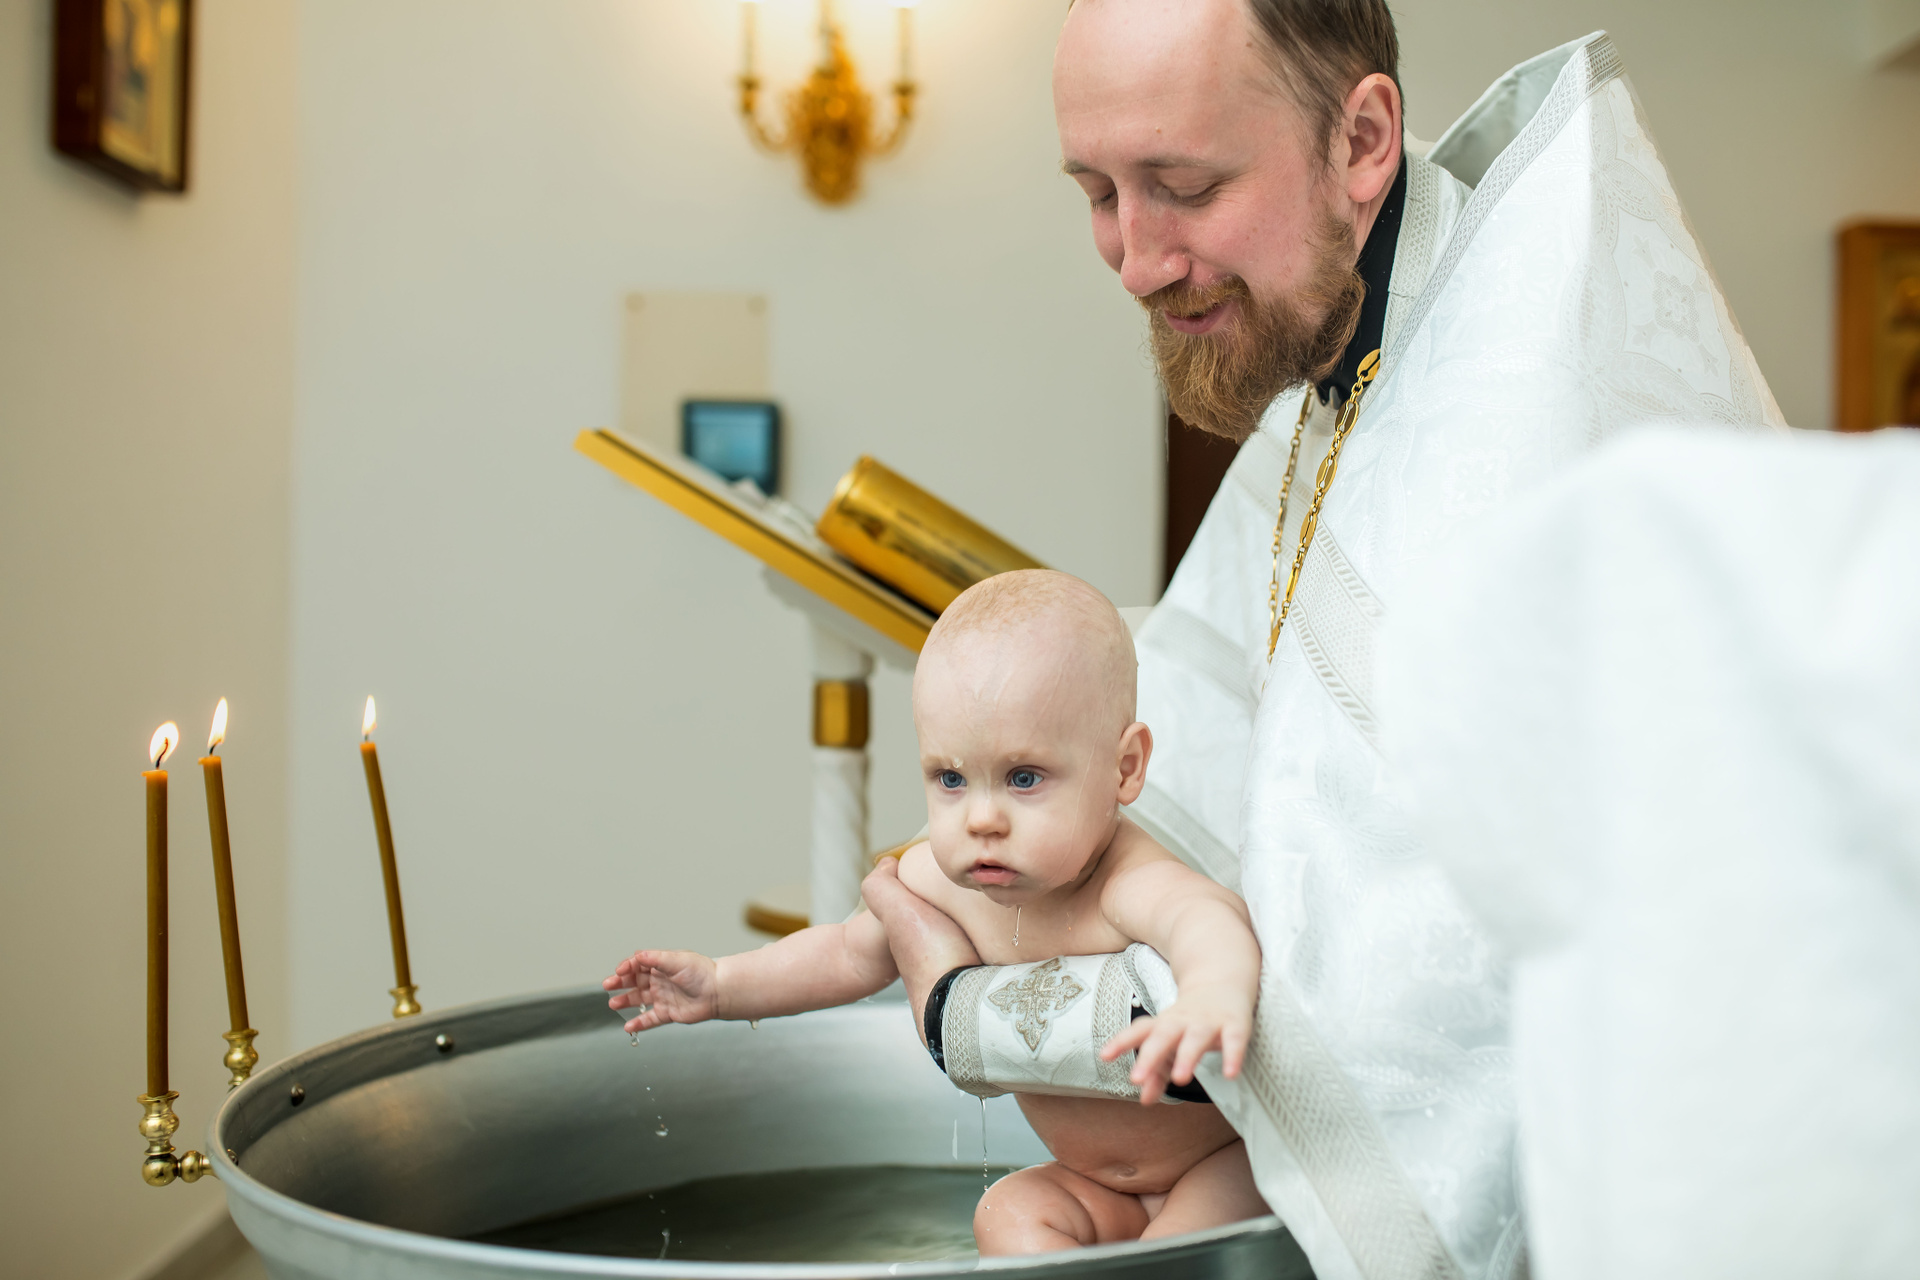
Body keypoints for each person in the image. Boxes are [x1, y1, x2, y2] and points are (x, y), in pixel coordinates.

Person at [862, 4, 1786, 1279]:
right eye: (1098, 194)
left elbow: (1392, 1024)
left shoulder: (1511, 435)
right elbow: (1199, 751)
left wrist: (954, 997)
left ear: (1361, 141)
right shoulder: (1364, 347)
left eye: (1186, 187)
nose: (1135, 260)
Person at [605, 570, 1272, 1254]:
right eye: (951, 779)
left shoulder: (1123, 882)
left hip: (1213, 1165)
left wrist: (1209, 995)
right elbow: (845, 952)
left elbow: (1206, 919)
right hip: (1090, 1182)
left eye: (1024, 778)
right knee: (1007, 1215)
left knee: (1180, 1253)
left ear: (1124, 768)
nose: (982, 819)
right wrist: (722, 985)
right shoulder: (940, 883)